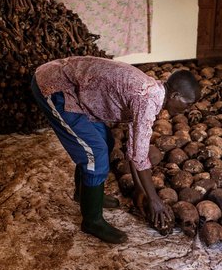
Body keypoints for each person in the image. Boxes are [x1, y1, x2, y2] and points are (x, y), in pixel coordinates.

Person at [31, 56, 201, 244]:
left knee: (106, 142)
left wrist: (140, 190)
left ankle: (84, 195)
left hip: (74, 88)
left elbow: (135, 150)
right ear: (175, 96)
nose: (188, 109)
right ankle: (91, 220)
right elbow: (139, 157)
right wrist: (155, 201)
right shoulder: (146, 99)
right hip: (56, 88)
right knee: (96, 154)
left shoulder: (153, 91)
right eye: (188, 103)